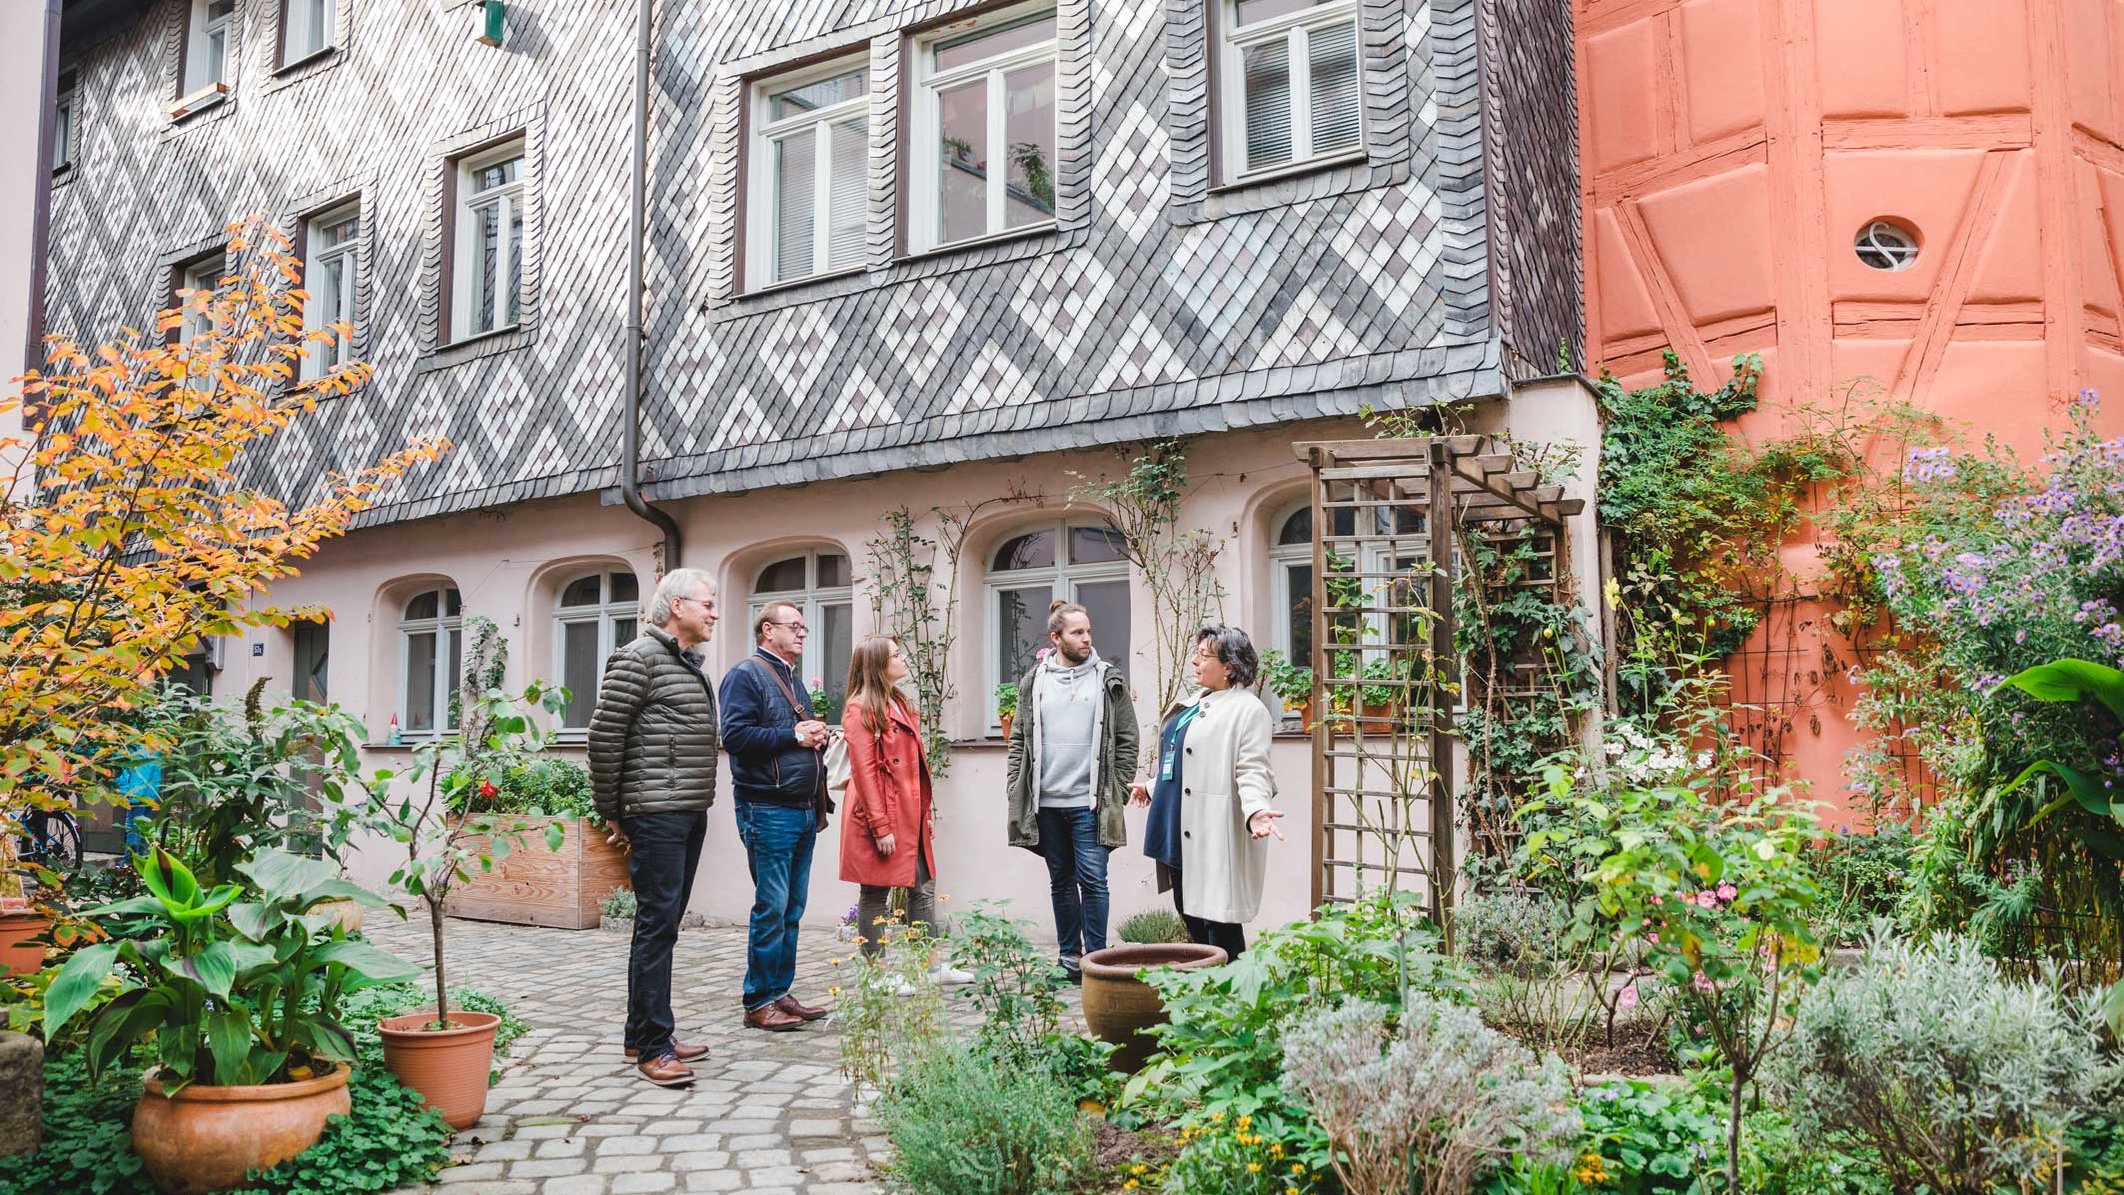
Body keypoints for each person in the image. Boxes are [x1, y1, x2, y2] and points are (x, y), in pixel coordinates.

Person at [588, 567, 723, 1087]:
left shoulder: (687, 664)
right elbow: (604, 738)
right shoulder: (638, 659)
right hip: (657, 812)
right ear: (676, 606)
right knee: (656, 924)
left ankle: (642, 1031)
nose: (714, 612)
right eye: (707, 603)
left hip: (686, 808)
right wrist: (613, 810)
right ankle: (652, 1046)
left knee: (663, 924)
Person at [1129, 625, 1287, 959]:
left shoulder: (1247, 710)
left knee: (1220, 926)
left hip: (1211, 832)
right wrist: (1152, 786)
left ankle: (1232, 997)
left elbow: (1252, 768)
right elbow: (1184, 762)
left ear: (1229, 666)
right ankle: (1206, 995)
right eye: (1196, 653)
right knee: (1191, 916)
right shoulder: (1193, 705)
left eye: (1204, 655)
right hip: (1177, 828)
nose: (1194, 661)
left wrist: (1257, 810)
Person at [1006, 599, 1139, 982]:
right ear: (1056, 637)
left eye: (1088, 631)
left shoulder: (1108, 678)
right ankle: (1068, 959)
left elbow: (1127, 739)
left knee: (1094, 880)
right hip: (1046, 803)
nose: (1086, 638)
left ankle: (1096, 962)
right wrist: (1015, 787)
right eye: (1077, 632)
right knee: (1061, 880)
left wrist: (1118, 791)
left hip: (1091, 802)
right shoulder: (1035, 681)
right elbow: (1019, 739)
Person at [719, 598, 833, 1031]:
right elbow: (735, 735)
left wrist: (813, 734)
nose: (803, 632)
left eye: (804, 626)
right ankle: (758, 1000)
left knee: (792, 907)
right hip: (766, 808)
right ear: (768, 630)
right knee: (771, 905)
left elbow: (792, 735)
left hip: (802, 809)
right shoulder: (746, 675)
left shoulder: (790, 679)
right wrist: (794, 735)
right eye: (795, 625)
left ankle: (780, 992)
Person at [838, 636, 972, 985]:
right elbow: (864, 771)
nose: (903, 658)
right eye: (896, 655)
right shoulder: (860, 709)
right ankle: (876, 974)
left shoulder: (900, 702)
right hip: (879, 813)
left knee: (923, 887)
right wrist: (880, 826)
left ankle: (929, 967)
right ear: (879, 666)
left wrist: (924, 813)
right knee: (875, 892)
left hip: (909, 811)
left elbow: (914, 768)